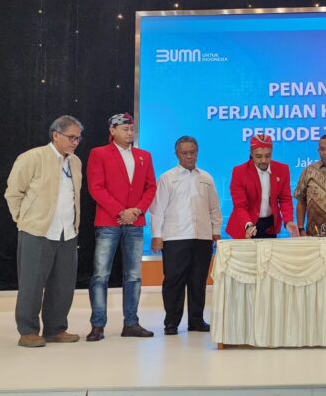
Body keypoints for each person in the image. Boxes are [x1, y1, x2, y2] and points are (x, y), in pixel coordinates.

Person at [4, 115, 84, 347]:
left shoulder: (76, 162)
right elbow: (13, 192)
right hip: (37, 231)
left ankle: (56, 329)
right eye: (71, 137)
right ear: (56, 135)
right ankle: (28, 331)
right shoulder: (33, 157)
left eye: (78, 138)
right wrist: (23, 220)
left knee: (63, 285)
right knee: (32, 283)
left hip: (67, 232)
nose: (75, 142)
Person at [86, 113, 157, 341]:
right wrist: (120, 211)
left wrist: (136, 211)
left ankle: (131, 324)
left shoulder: (144, 156)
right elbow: (96, 187)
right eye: (125, 129)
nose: (130, 132)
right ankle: (98, 325)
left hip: (135, 222)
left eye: (131, 128)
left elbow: (151, 187)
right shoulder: (99, 153)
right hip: (109, 222)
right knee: (101, 275)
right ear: (113, 131)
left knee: (134, 276)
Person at [149, 136, 222, 336]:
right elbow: (157, 209)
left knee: (198, 281)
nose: (189, 156)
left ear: (197, 153)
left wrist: (216, 231)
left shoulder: (206, 178)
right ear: (177, 154)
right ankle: (171, 323)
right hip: (174, 237)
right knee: (174, 281)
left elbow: (214, 207)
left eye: (192, 152)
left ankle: (196, 321)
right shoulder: (167, 178)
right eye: (184, 153)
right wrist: (157, 235)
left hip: (202, 237)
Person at [225, 134, 298, 239]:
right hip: (245, 224)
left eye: (268, 156)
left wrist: (288, 221)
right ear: (251, 153)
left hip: (270, 226)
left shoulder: (282, 169)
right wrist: (248, 225)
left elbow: (285, 199)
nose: (264, 160)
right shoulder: (239, 172)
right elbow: (240, 205)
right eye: (259, 156)